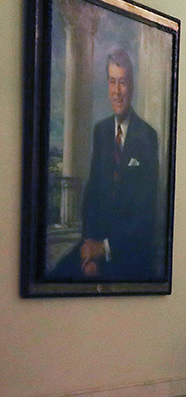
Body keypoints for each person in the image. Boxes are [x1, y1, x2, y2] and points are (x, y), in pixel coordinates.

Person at [52, 47, 160, 281]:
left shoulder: (148, 137)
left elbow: (146, 215)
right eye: (112, 82)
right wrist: (90, 254)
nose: (117, 92)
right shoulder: (101, 131)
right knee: (56, 276)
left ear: (131, 86)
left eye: (122, 82)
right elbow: (91, 196)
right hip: (93, 246)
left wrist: (105, 248)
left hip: (127, 252)